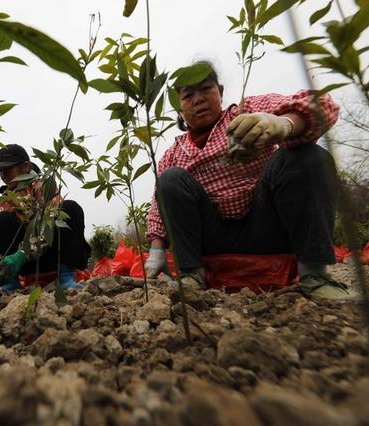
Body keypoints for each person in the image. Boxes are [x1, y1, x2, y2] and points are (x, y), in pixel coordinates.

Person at [144, 61, 351, 299]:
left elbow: (322, 105)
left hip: (266, 225)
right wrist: (157, 249)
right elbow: (158, 206)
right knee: (170, 180)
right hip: (211, 238)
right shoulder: (173, 153)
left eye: (206, 89)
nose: (198, 99)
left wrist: (285, 124)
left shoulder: (246, 111)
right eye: (188, 95)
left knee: (307, 155)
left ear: (220, 92)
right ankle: (191, 275)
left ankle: (314, 275)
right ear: (178, 107)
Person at [0, 144, 91, 292]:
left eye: (8, 170)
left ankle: (65, 276)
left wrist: (22, 254)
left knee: (69, 208)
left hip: (51, 255)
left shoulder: (42, 186)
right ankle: (12, 281)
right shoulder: (3, 202)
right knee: (1, 221)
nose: (3, 175)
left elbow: (50, 221)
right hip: (25, 265)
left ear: (25, 167)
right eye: (0, 172)